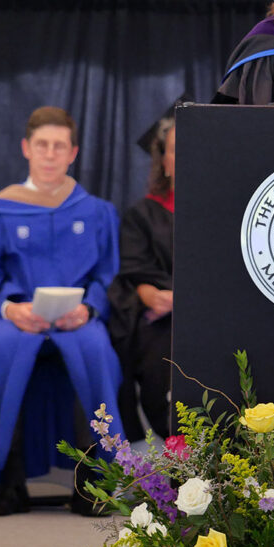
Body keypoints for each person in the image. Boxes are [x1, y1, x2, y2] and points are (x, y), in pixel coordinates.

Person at [0, 106, 123, 516]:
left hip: (76, 321)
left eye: (59, 146)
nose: (50, 154)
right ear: (25, 149)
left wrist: (88, 309)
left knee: (95, 348)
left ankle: (92, 486)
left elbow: (110, 276)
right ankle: (8, 484)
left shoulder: (96, 212)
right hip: (18, 321)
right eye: (42, 145)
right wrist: (10, 309)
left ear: (73, 153)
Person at [108, 116, 175, 442]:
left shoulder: (230, 213)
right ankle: (180, 460)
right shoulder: (142, 214)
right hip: (162, 321)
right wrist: (150, 293)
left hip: (215, 319)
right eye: (176, 150)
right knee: (155, 357)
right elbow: (134, 269)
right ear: (163, 161)